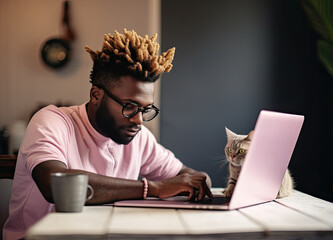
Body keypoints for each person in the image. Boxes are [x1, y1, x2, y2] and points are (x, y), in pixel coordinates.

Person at [3, 29, 212, 240]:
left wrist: (200, 183)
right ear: (96, 95)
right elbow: (57, 186)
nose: (138, 119)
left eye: (146, 109)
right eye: (129, 106)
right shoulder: (52, 121)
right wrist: (154, 188)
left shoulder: (139, 138)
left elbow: (191, 177)